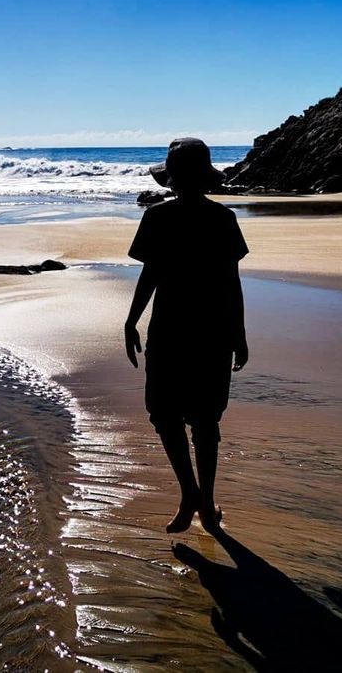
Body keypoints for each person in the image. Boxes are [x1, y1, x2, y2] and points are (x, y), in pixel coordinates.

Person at [125, 138, 248, 533]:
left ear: (173, 179)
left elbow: (152, 276)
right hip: (200, 331)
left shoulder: (197, 219)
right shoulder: (212, 219)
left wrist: (132, 321)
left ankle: (199, 498)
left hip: (181, 330)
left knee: (172, 416)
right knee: (196, 420)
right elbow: (231, 283)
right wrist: (238, 332)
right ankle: (197, 497)